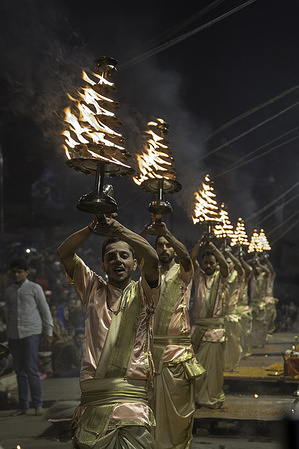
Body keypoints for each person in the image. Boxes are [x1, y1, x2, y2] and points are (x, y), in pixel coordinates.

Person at [57, 216, 159, 449]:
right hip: (95, 391)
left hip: (131, 394)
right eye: (110, 256)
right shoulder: (93, 288)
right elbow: (64, 252)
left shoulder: (145, 291)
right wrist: (91, 227)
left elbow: (152, 258)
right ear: (103, 266)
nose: (118, 260)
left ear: (135, 264)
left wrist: (119, 230)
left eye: (124, 255)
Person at [141, 219, 205, 449]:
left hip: (178, 353)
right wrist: (145, 231)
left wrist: (165, 230)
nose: (164, 249)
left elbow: (188, 258)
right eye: (160, 245)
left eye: (168, 245)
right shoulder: (149, 273)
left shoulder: (183, 271)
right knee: (151, 409)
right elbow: (135, 252)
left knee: (180, 413)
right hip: (150, 352)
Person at [4, 258, 53, 416]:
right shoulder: (9, 291)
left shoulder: (34, 288)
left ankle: (38, 405)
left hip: (31, 332)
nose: (17, 275)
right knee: (20, 372)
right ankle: (24, 406)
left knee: (31, 369)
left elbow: (44, 310)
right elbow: (7, 313)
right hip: (13, 334)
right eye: (14, 272)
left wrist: (49, 331)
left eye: (20, 272)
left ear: (26, 272)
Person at [191, 237, 228, 409]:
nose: (208, 266)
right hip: (199, 332)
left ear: (216, 264)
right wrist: (199, 244)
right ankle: (199, 399)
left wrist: (213, 247)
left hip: (215, 333)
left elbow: (225, 267)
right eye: (205, 262)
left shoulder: (221, 279)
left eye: (211, 263)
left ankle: (212, 397)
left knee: (213, 371)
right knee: (197, 370)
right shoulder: (198, 276)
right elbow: (190, 260)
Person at [222, 248, 245, 372]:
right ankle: (224, 364)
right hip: (221, 314)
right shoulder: (221, 276)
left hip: (232, 314)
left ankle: (234, 364)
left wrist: (229, 253)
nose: (228, 264)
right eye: (226, 262)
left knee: (234, 342)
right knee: (223, 343)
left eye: (230, 262)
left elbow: (240, 268)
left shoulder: (237, 276)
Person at [249, 257, 270, 348]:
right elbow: (244, 266)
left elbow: (269, 271)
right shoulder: (252, 276)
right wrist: (252, 261)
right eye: (256, 267)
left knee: (261, 325)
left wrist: (259, 264)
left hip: (261, 303)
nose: (257, 268)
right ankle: (254, 343)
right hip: (252, 303)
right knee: (252, 326)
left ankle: (261, 342)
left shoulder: (264, 276)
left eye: (259, 268)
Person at [237, 253, 253, 358]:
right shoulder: (227, 275)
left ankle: (244, 352)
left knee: (245, 334)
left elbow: (249, 270)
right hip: (231, 311)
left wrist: (241, 259)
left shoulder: (243, 277)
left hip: (243, 309)